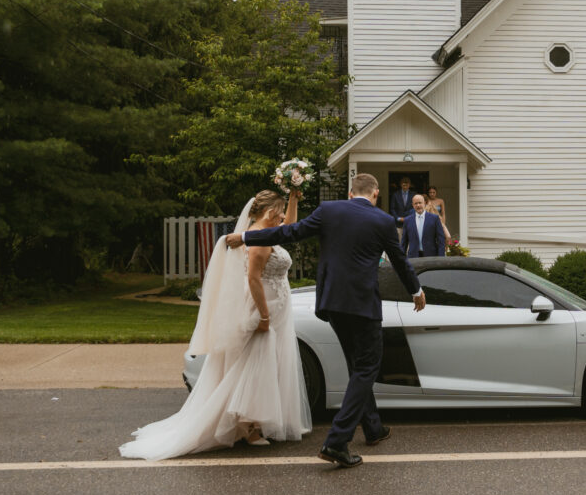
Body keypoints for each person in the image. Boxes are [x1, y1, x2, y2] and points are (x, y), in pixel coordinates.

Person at [225, 173, 425, 468]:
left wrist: (245, 236)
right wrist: (416, 290)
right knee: (368, 367)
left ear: (349, 192)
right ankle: (336, 441)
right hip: (362, 306)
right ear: (376, 193)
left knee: (358, 367)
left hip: (332, 303)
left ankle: (373, 428)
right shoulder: (383, 221)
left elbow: (288, 233)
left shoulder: (329, 211)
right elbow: (399, 260)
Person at [120, 191, 311, 461]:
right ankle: (249, 428)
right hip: (262, 305)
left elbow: (290, 226)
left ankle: (257, 423)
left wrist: (293, 198)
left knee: (269, 363)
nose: (282, 216)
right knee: (254, 366)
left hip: (277, 304)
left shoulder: (265, 232)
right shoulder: (259, 241)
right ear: (268, 212)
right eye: (279, 211)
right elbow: (254, 279)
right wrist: (264, 316)